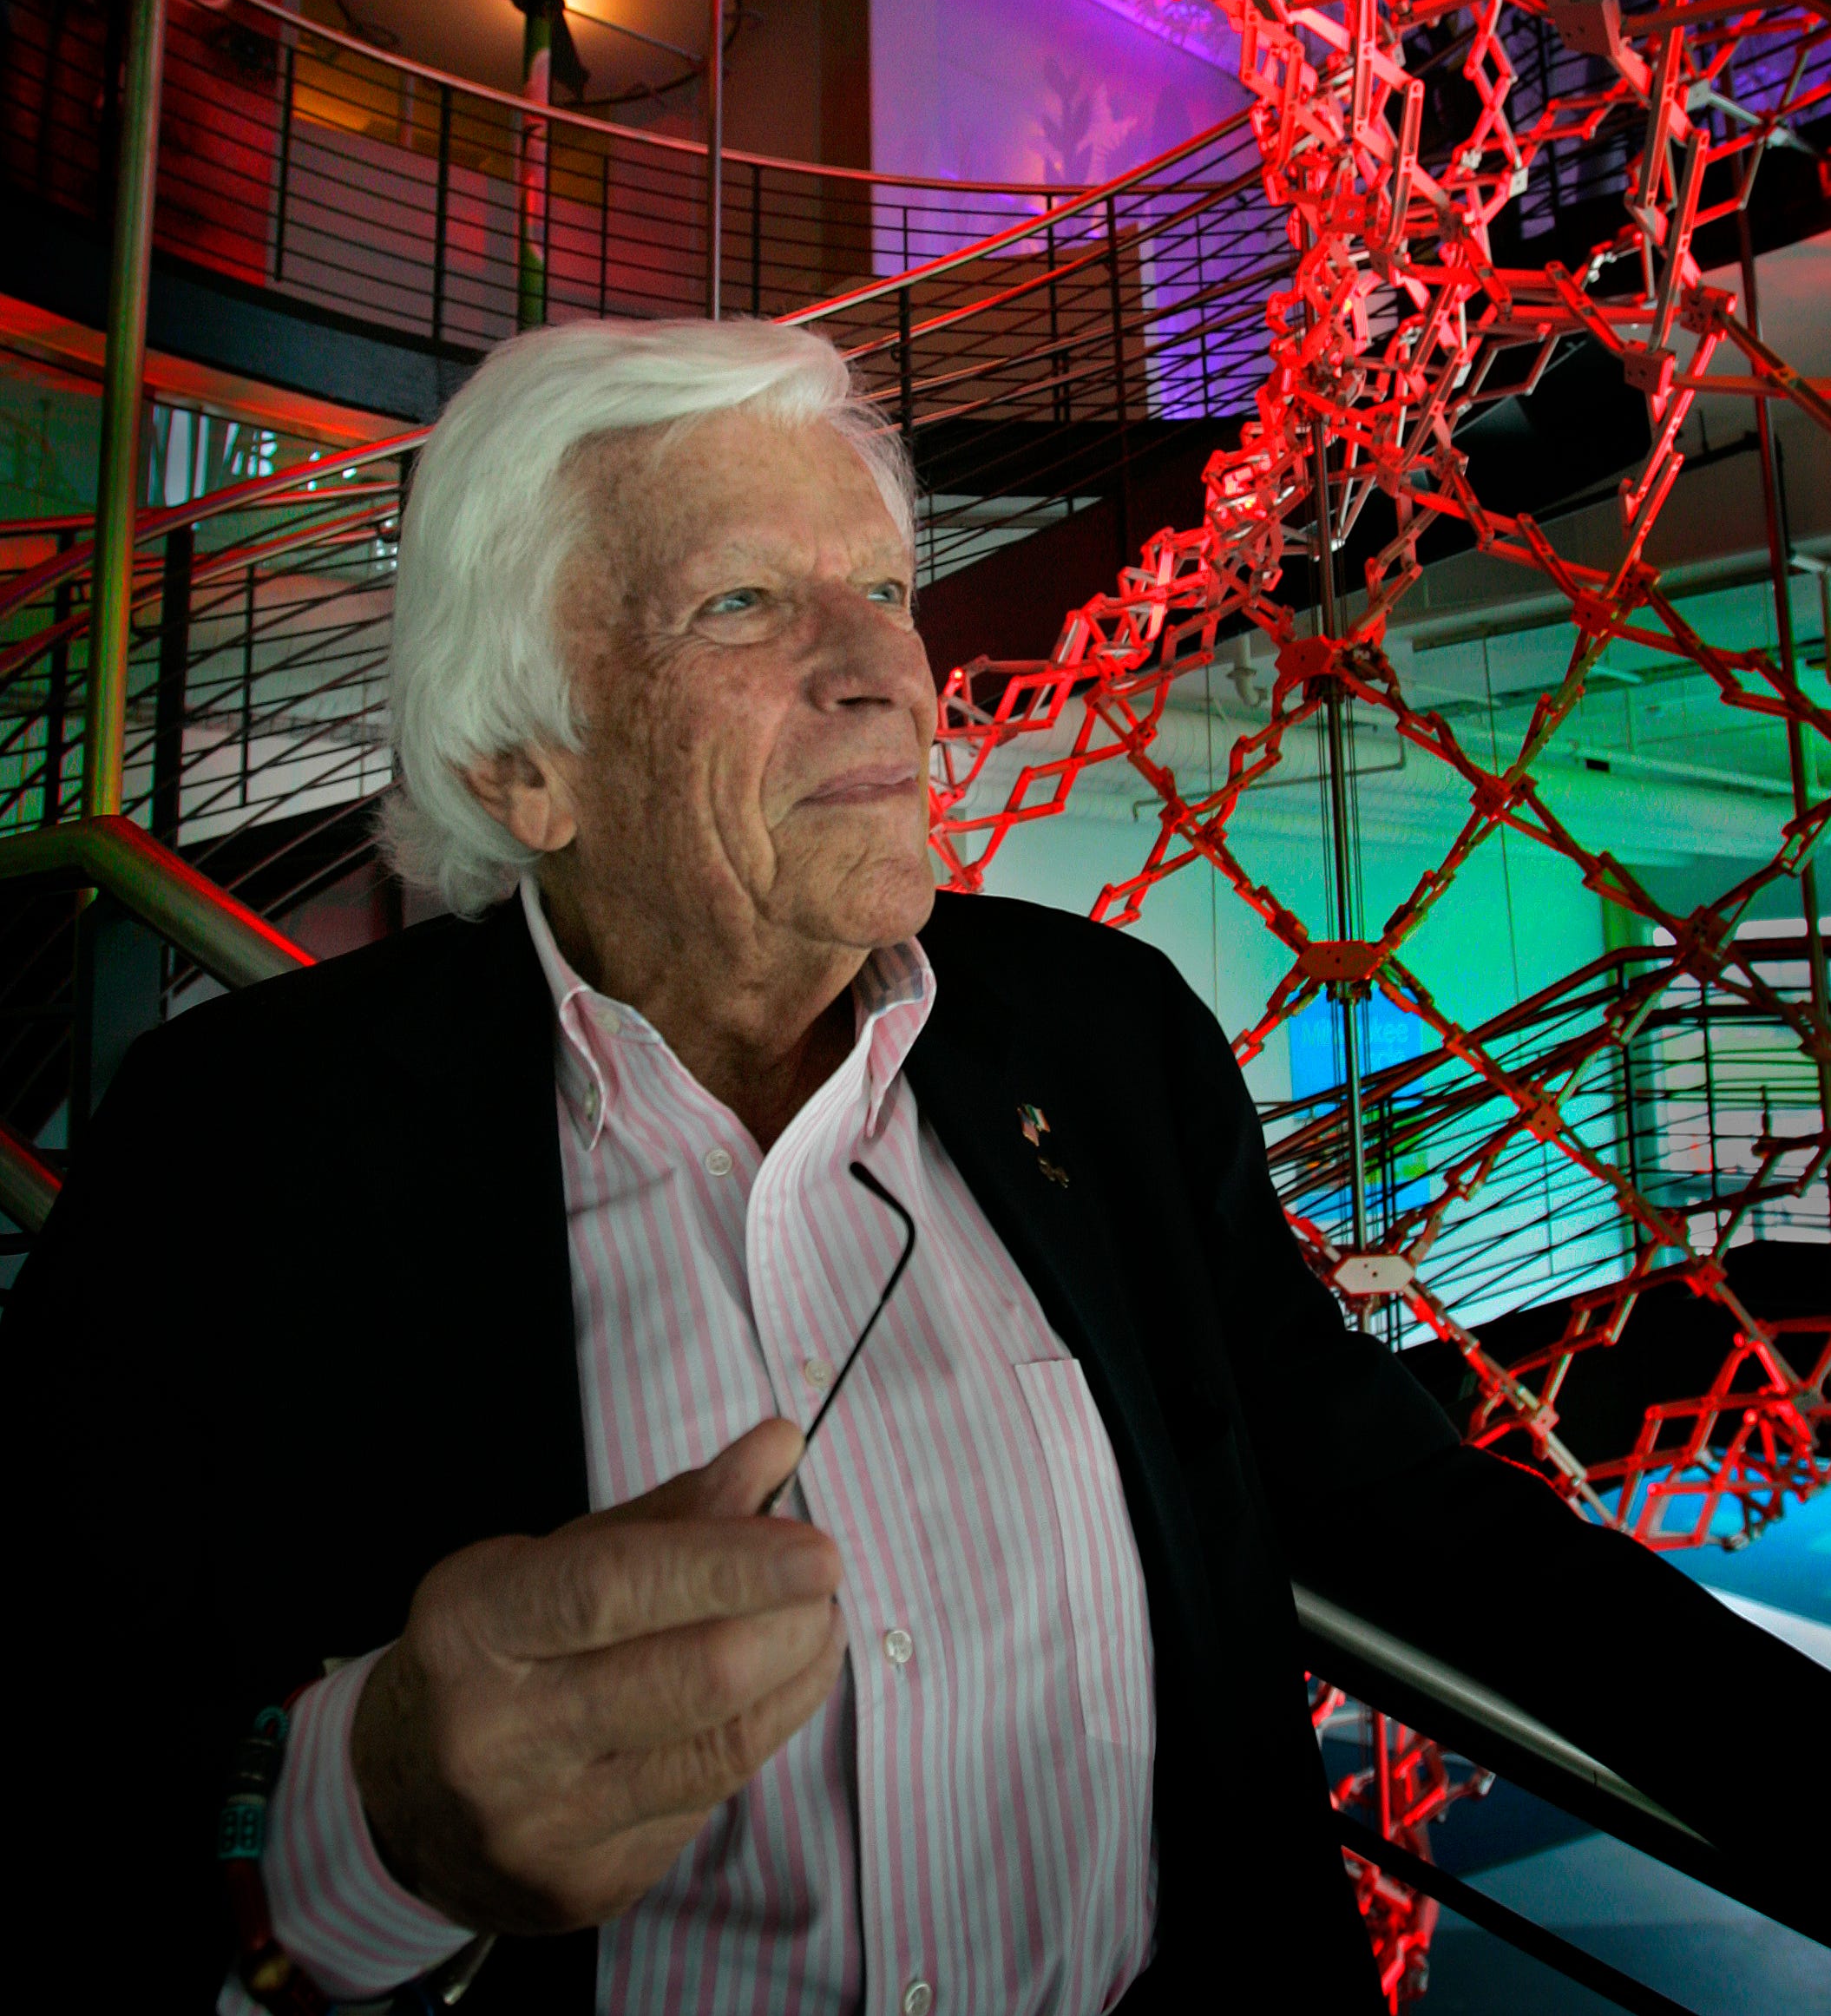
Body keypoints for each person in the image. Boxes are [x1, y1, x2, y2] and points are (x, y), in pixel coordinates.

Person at [3, 317, 1824, 2016]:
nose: (885, 665)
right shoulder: (233, 1141)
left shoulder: (1101, 1038)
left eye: (881, 587)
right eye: (743, 602)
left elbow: (1402, 1513)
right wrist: (356, 1829)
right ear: (517, 761)